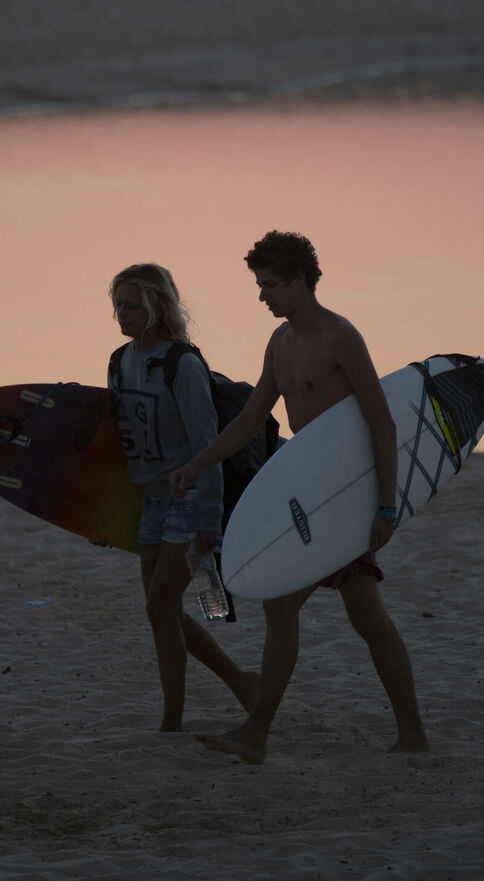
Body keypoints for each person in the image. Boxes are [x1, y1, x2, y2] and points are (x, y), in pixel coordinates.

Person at [170, 231, 429, 764]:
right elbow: (249, 420)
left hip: (344, 498)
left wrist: (385, 505)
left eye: (269, 285)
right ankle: (411, 735)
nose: (262, 296)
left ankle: (258, 734)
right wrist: (198, 463)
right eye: (259, 285)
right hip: (309, 496)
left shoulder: (341, 337)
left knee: (288, 604)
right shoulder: (280, 343)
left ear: (298, 281)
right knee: (366, 617)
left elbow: (381, 421)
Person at [109, 263, 258, 732]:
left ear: (157, 306)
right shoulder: (119, 361)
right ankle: (240, 682)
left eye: (132, 305)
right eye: (118, 306)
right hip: (149, 501)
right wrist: (105, 514)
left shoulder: (184, 365)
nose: (123, 314)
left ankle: (172, 722)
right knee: (164, 610)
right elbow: (119, 445)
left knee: (159, 607)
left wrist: (210, 518)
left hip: (190, 499)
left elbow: (206, 445)